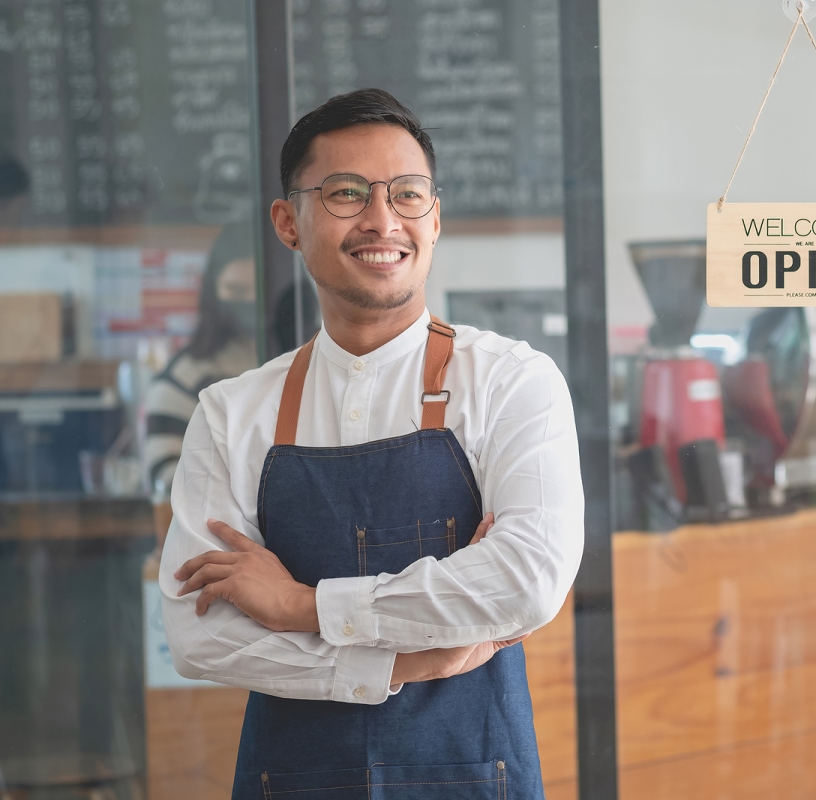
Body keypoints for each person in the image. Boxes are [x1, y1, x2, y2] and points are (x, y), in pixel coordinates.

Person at [158, 88, 583, 799]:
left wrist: (303, 608)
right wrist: (401, 664)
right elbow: (200, 636)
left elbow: (526, 580)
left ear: (434, 218)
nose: (383, 220)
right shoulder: (231, 413)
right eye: (347, 193)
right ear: (288, 223)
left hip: (474, 776)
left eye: (407, 194)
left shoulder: (512, 381)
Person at [142, 224, 258, 492]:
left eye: (261, 291)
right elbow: (167, 481)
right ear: (212, 292)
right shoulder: (184, 378)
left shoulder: (306, 365)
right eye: (237, 291)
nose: (251, 303)